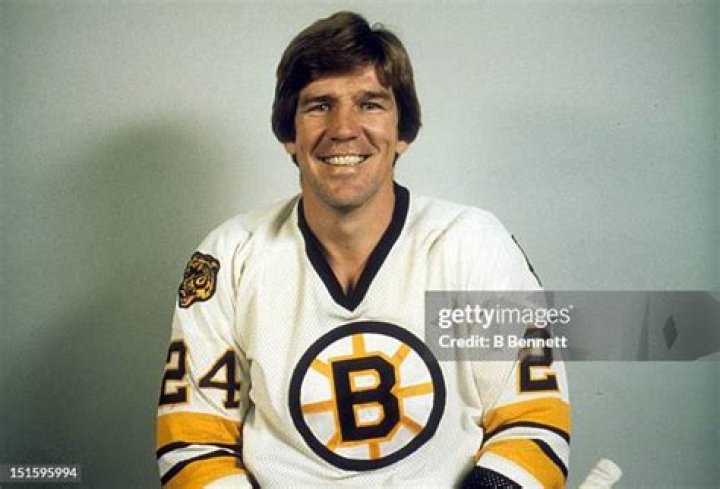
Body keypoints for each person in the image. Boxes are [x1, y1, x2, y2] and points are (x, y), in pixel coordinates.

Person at [156, 11, 570, 488]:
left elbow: (532, 419)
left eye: (370, 104)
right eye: (319, 106)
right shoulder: (231, 256)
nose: (344, 129)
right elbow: (193, 441)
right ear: (289, 134)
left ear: (403, 131)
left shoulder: (471, 244)